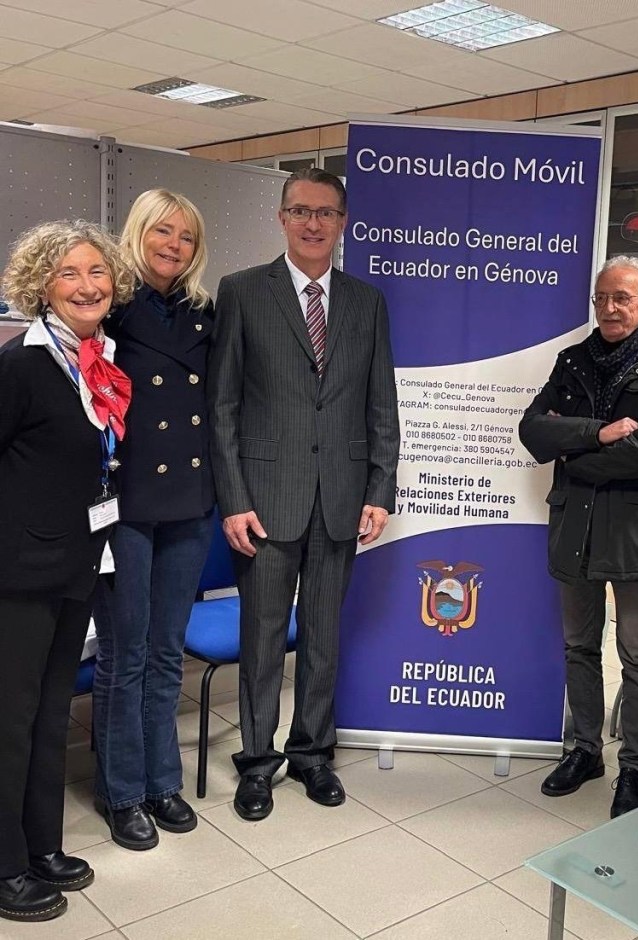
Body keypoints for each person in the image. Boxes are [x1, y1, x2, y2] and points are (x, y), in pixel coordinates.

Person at [208, 168, 399, 821]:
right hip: (264, 499)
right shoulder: (241, 291)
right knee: (262, 638)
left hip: (342, 496)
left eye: (325, 213)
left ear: (343, 222)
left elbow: (381, 406)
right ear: (282, 218)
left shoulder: (367, 302)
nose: (312, 223)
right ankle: (257, 763)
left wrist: (380, 488)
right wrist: (233, 499)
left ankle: (313, 753)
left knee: (323, 635)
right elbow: (223, 407)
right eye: (300, 211)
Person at [519, 256, 638, 818]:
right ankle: (586, 751)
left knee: (637, 651)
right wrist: (599, 432)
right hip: (578, 524)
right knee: (579, 645)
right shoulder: (573, 361)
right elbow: (532, 430)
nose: (610, 308)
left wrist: (576, 455)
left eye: (622, 298)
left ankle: (634, 768)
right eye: (602, 298)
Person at [0, 220, 134, 921]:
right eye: (69, 273)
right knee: (11, 721)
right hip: (20, 573)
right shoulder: (20, 365)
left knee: (53, 715)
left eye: (97, 271)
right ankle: (4, 867)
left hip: (79, 561)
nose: (87, 286)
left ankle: (40, 845)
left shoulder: (98, 361)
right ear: (41, 286)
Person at [91, 190, 216, 850]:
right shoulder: (106, 307)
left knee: (167, 652)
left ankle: (163, 780)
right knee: (126, 654)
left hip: (189, 504)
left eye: (186, 237)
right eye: (163, 231)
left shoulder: (203, 312)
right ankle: (122, 791)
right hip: (126, 505)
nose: (174, 245)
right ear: (137, 233)